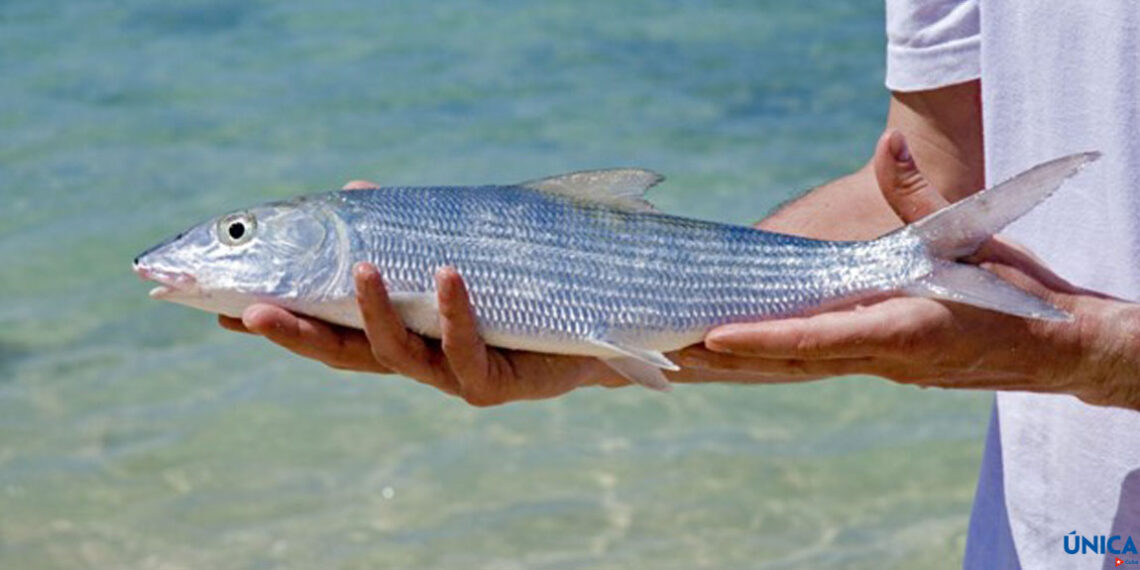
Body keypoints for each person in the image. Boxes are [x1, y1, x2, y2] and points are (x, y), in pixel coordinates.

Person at [220, 0, 1140, 566]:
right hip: (1039, 537)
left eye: (237, 235)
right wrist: (586, 350)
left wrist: (1086, 353)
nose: (221, 248)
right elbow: (928, 179)